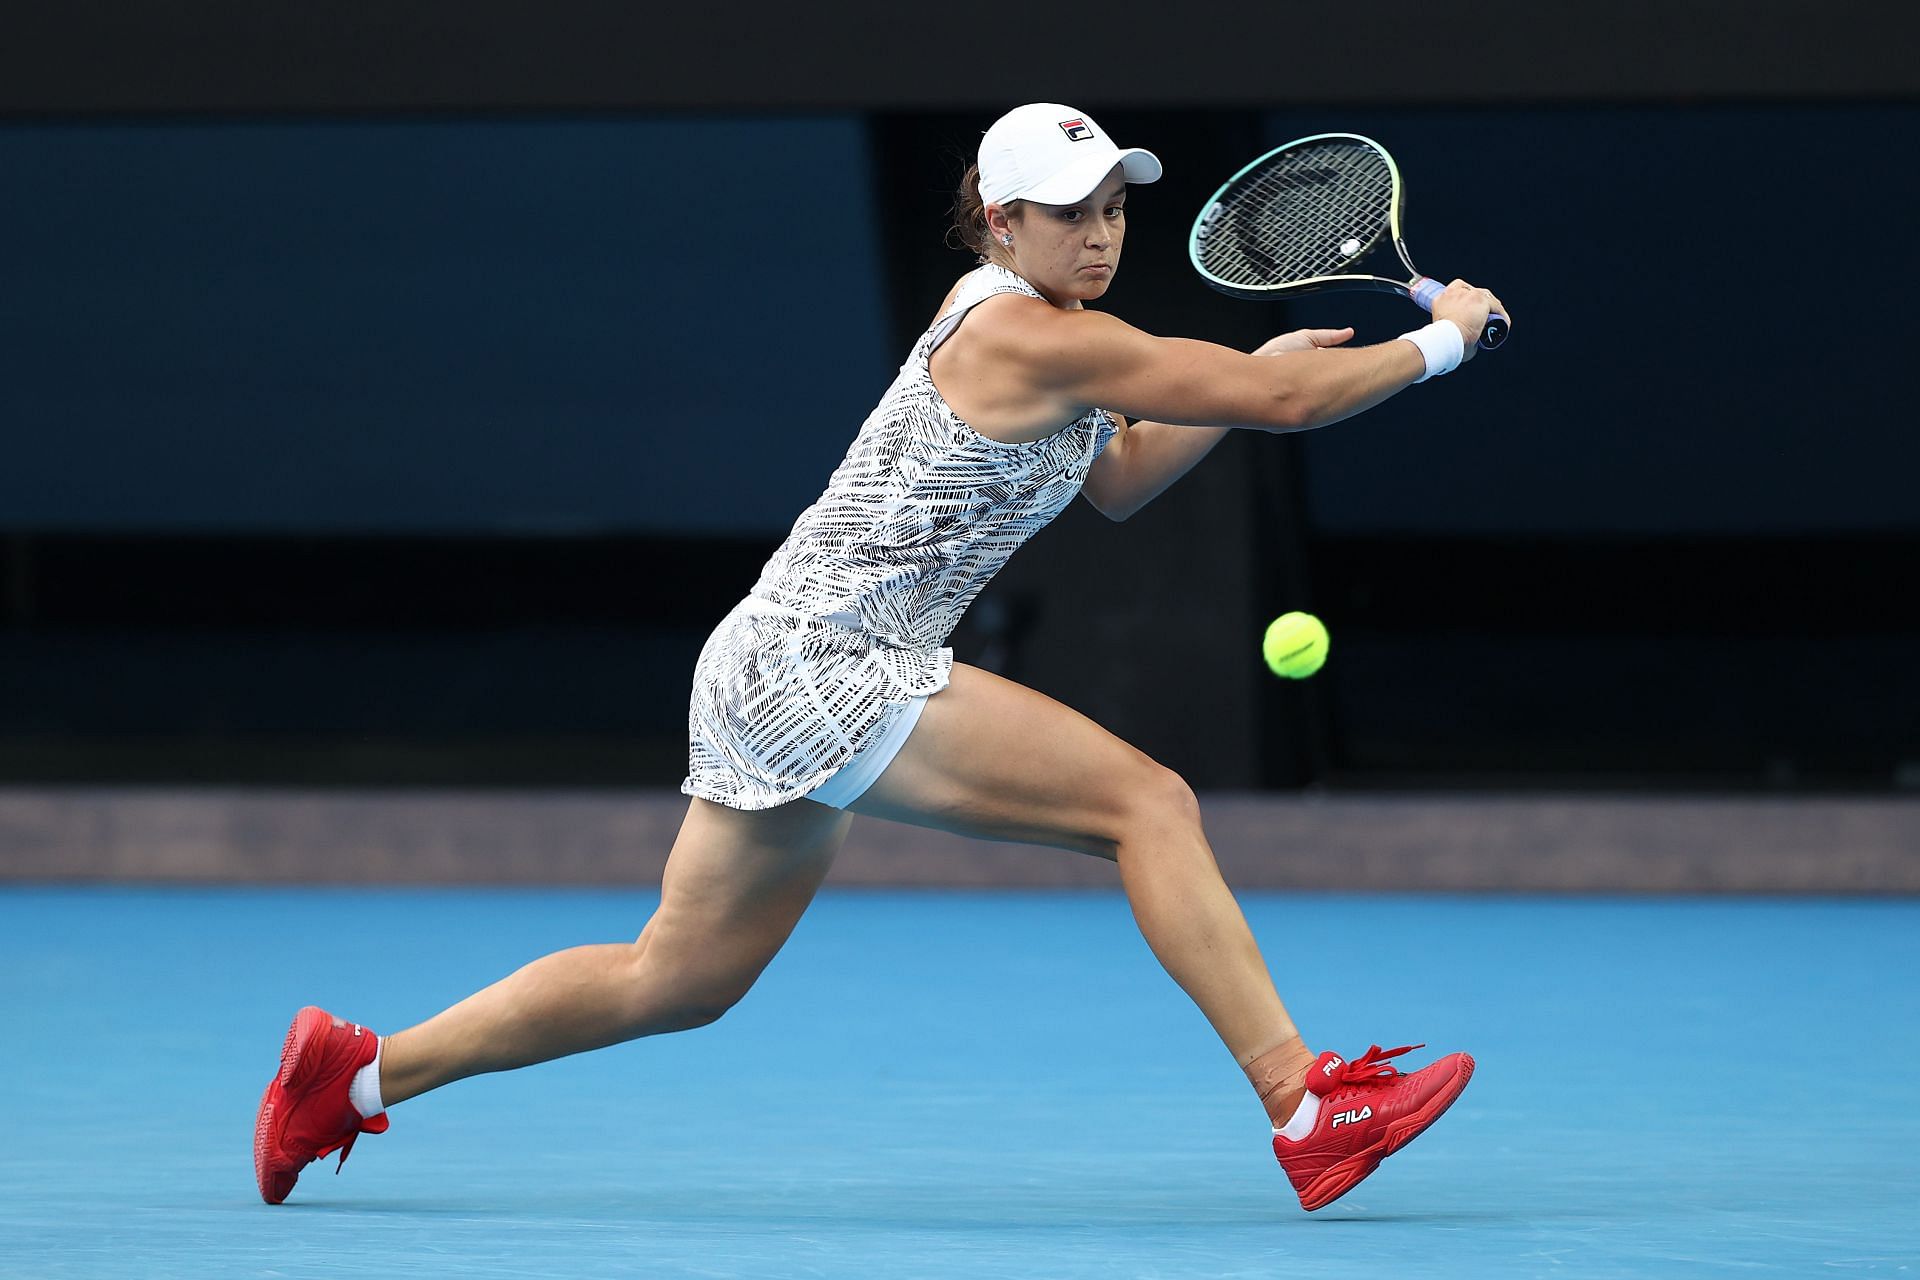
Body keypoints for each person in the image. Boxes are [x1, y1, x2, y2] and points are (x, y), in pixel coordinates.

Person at [254, 103, 1509, 1214]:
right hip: (830, 659)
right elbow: (1277, 408)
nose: (1100, 234)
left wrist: (1247, 380)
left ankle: (356, 1072)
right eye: (1069, 213)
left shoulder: (1019, 322)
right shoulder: (1030, 334)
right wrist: (1444, 338)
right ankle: (1306, 1106)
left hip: (768, 658)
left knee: (677, 978)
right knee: (1150, 802)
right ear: (1000, 220)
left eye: (1115, 208)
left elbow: (1120, 475)